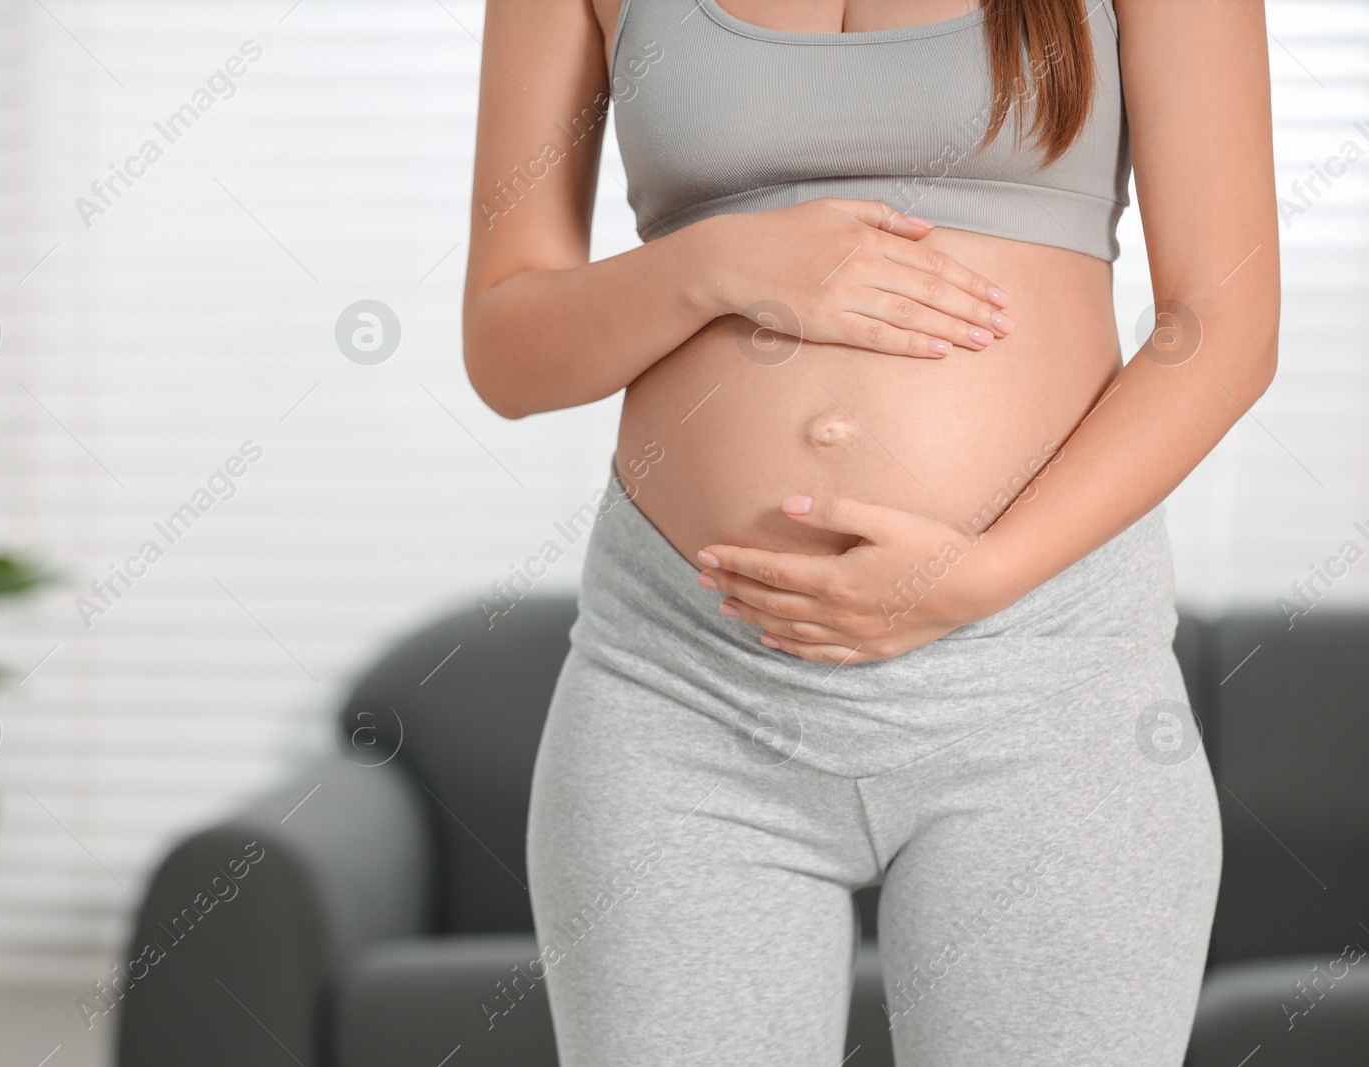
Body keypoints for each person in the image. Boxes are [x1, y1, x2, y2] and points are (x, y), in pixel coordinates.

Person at [462, 0, 1279, 1063]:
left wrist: (979, 573)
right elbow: (506, 346)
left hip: (1040, 678)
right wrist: (715, 262)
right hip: (685, 688)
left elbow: (1220, 328)